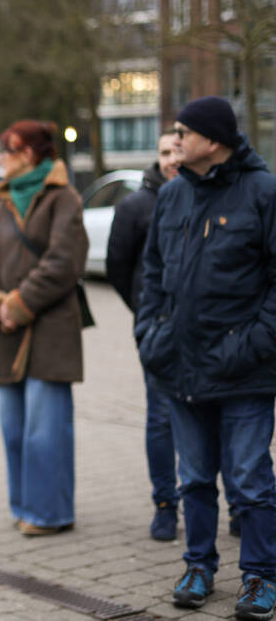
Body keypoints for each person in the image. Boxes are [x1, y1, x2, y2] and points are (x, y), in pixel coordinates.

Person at [136, 96, 276, 619]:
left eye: (183, 132)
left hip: (245, 371)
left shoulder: (263, 192)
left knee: (250, 479)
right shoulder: (172, 195)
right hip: (181, 367)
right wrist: (151, 334)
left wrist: (253, 344)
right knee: (193, 478)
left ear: (213, 141)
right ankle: (198, 566)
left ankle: (261, 576)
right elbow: (152, 273)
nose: (175, 141)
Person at [0, 120, 88, 537]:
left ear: (28, 155)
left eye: (7, 150)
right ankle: (24, 506)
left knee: (46, 430)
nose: (0, 158)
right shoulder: (3, 203)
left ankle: (49, 513)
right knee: (14, 428)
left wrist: (19, 304)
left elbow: (64, 262)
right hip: (7, 331)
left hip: (50, 328)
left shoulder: (63, 198)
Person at [106, 132, 183, 541]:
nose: (172, 159)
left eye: (178, 151)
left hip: (208, 331)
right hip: (158, 330)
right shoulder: (135, 206)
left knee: (215, 418)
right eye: (165, 152)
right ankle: (165, 504)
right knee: (161, 417)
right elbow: (118, 267)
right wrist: (145, 315)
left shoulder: (209, 199)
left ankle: (239, 506)